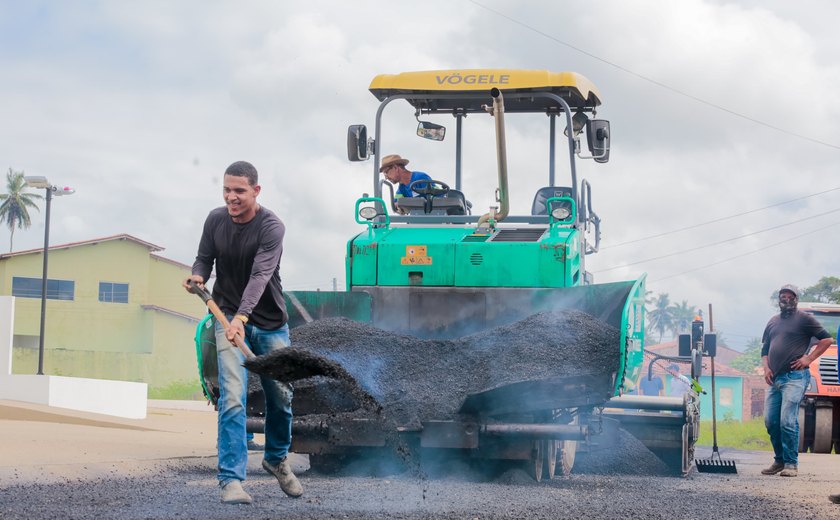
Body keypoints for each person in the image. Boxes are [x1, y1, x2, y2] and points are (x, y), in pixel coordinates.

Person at [183, 160, 302, 505]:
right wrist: (199, 275)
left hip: (268, 323)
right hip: (226, 318)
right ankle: (231, 480)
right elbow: (204, 258)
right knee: (233, 397)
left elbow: (260, 276)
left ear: (256, 191)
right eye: (226, 190)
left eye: (239, 190)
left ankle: (276, 458)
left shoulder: (271, 227)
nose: (231, 197)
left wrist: (243, 317)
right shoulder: (215, 220)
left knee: (281, 396)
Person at [760, 284, 832, 478]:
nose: (786, 299)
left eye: (790, 296)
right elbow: (764, 349)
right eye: (783, 296)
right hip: (774, 379)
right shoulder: (773, 321)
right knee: (770, 421)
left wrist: (808, 359)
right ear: (779, 300)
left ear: (796, 299)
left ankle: (791, 464)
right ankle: (779, 461)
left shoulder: (804, 319)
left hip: (795, 377)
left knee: (787, 420)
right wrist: (766, 368)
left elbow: (827, 340)